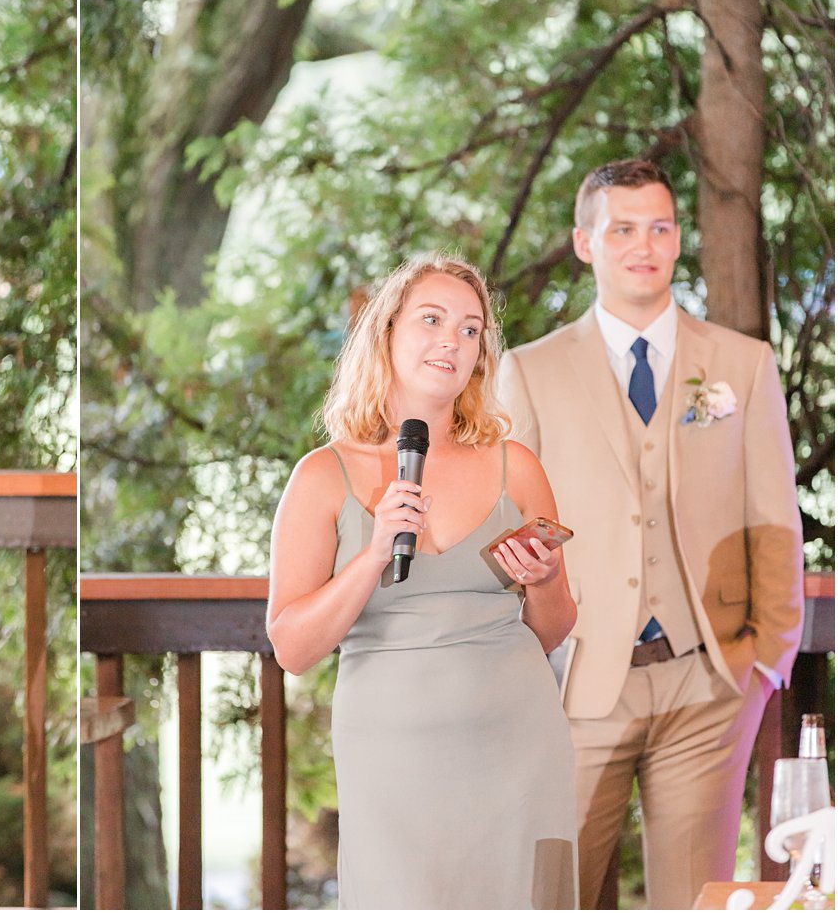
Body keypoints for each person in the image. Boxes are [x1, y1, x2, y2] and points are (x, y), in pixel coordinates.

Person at [497, 159, 805, 910]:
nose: (645, 244)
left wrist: (767, 660)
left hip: (708, 682)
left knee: (697, 899)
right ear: (584, 241)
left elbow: (773, 519)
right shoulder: (529, 372)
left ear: (677, 239)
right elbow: (507, 530)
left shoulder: (742, 364)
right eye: (623, 228)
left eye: (660, 227)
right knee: (554, 895)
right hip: (577, 683)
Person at [268, 254, 579, 910]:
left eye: (471, 330)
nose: (453, 340)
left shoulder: (515, 466)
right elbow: (293, 647)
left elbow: (553, 625)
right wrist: (374, 551)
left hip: (519, 748)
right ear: (385, 333)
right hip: (392, 759)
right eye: (432, 319)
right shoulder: (322, 476)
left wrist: (546, 578)